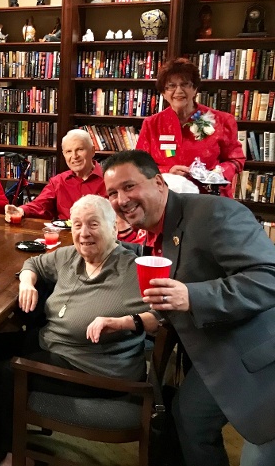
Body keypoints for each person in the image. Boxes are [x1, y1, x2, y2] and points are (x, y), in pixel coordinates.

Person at [102, 150, 275, 466]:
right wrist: (135, 321)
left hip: (260, 358)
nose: (120, 199)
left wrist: (193, 297)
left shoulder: (215, 213)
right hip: (215, 354)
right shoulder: (157, 234)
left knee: (258, 452)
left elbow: (269, 278)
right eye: (112, 193)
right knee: (190, 419)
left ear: (159, 183)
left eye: (129, 187)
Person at [0, 195, 158, 466]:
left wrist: (124, 323)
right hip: (56, 345)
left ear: (113, 228)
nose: (84, 233)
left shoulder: (132, 270)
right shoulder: (70, 256)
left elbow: (161, 316)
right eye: (77, 225)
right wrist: (27, 284)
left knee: (7, 373)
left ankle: (17, 456)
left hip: (92, 368)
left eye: (93, 225)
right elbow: (33, 264)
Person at [135, 58, 244, 198]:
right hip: (166, 198)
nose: (178, 91)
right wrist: (167, 171)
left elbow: (236, 160)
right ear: (163, 92)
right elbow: (140, 165)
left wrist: (217, 173)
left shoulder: (222, 120)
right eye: (171, 86)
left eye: (185, 84)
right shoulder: (152, 124)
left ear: (195, 89)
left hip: (209, 198)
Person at [5, 129, 105, 221]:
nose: (74, 156)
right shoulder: (58, 181)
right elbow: (40, 204)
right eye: (68, 151)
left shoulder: (109, 180)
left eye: (80, 149)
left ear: (92, 151)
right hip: (65, 237)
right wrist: (21, 211)